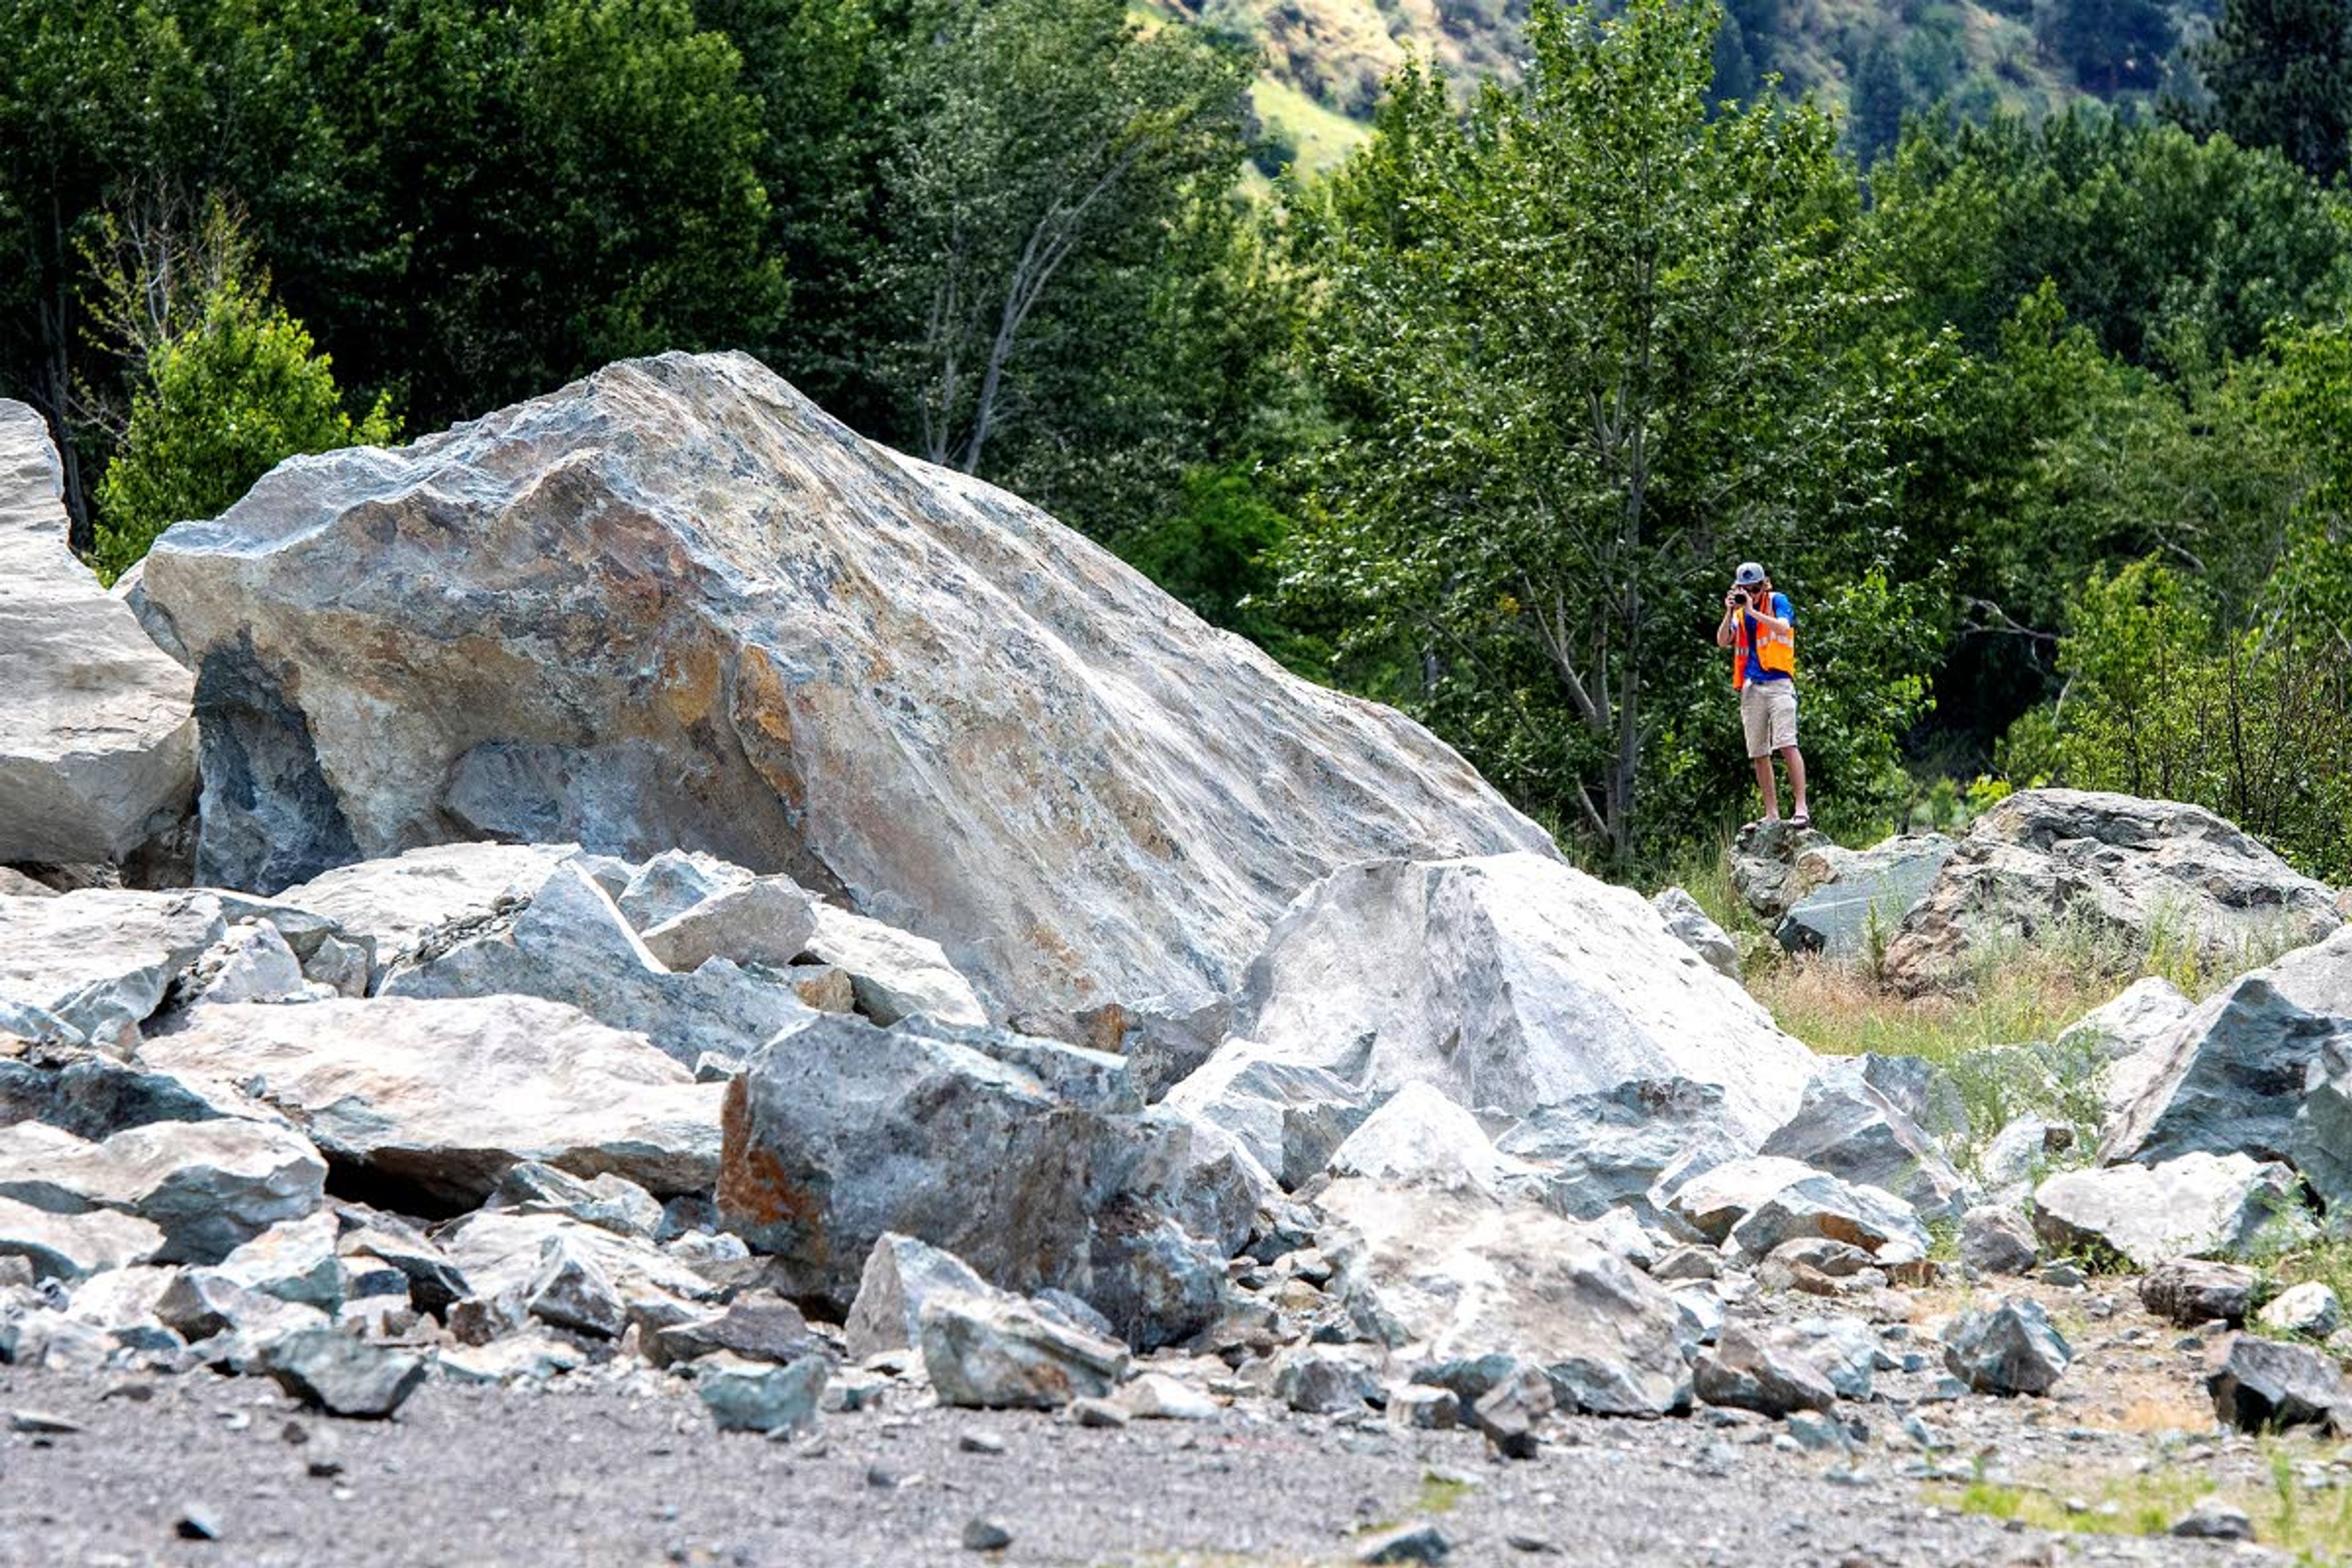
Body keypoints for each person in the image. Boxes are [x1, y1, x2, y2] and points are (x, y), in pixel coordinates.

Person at [1715, 560, 1809, 829]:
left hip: (1779, 683)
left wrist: (1752, 610)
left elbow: (1782, 627)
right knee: (1758, 751)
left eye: (1756, 588)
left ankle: (1801, 807)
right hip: (1752, 686)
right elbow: (1723, 640)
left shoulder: (1777, 601)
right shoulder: (1740, 612)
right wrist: (1730, 611)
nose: (1752, 593)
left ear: (1764, 584)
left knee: (1787, 743)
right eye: (1747, 589)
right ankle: (1772, 814)